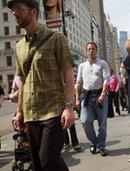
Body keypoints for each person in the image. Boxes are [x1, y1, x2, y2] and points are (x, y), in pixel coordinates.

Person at [9, 0, 75, 170]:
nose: (14, 13)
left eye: (18, 9)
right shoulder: (19, 47)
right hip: (31, 114)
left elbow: (68, 73)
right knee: (38, 164)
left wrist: (69, 107)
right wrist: (19, 112)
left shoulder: (56, 38)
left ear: (33, 11)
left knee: (48, 160)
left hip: (53, 111)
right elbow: (22, 81)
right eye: (12, 9)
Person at [76, 42, 110, 157]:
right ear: (86, 51)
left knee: (102, 124)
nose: (91, 51)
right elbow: (79, 83)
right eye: (89, 49)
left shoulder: (102, 64)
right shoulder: (81, 66)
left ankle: (101, 147)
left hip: (100, 96)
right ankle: (94, 143)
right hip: (86, 97)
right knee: (85, 121)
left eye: (93, 49)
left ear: (96, 50)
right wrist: (77, 99)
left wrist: (103, 95)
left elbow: (106, 80)